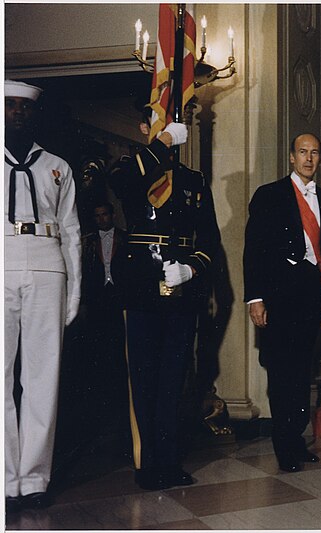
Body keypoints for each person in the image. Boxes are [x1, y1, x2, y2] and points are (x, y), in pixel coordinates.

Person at [108, 116, 221, 490]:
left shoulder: (193, 181)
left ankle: (170, 460)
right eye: (157, 123)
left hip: (179, 286)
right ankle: (147, 463)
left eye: (173, 125)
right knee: (142, 375)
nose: (168, 131)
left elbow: (209, 237)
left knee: (174, 376)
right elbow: (123, 186)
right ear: (144, 127)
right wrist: (163, 144)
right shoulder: (129, 167)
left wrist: (192, 269)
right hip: (140, 284)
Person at [5, 80, 81, 512]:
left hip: (48, 264)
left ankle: (33, 479)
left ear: (34, 115)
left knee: (42, 377)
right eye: (9, 106)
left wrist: (73, 290)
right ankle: (4, 478)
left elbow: (71, 232)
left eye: (24, 107)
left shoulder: (57, 166)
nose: (17, 113)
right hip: (2, 261)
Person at [243, 133, 321, 473]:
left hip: (312, 296)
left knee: (301, 373)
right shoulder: (269, 195)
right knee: (282, 372)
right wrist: (256, 297)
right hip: (279, 298)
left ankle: (296, 440)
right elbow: (253, 249)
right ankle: (283, 445)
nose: (309, 158)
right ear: (291, 158)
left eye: (315, 153)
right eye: (303, 152)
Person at [78, 201, 129, 444]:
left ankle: (121, 422)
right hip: (97, 303)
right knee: (96, 358)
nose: (101, 219)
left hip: (119, 303)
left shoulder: (125, 238)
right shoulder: (87, 241)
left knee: (119, 357)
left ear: (112, 215)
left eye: (104, 214)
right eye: (97, 216)